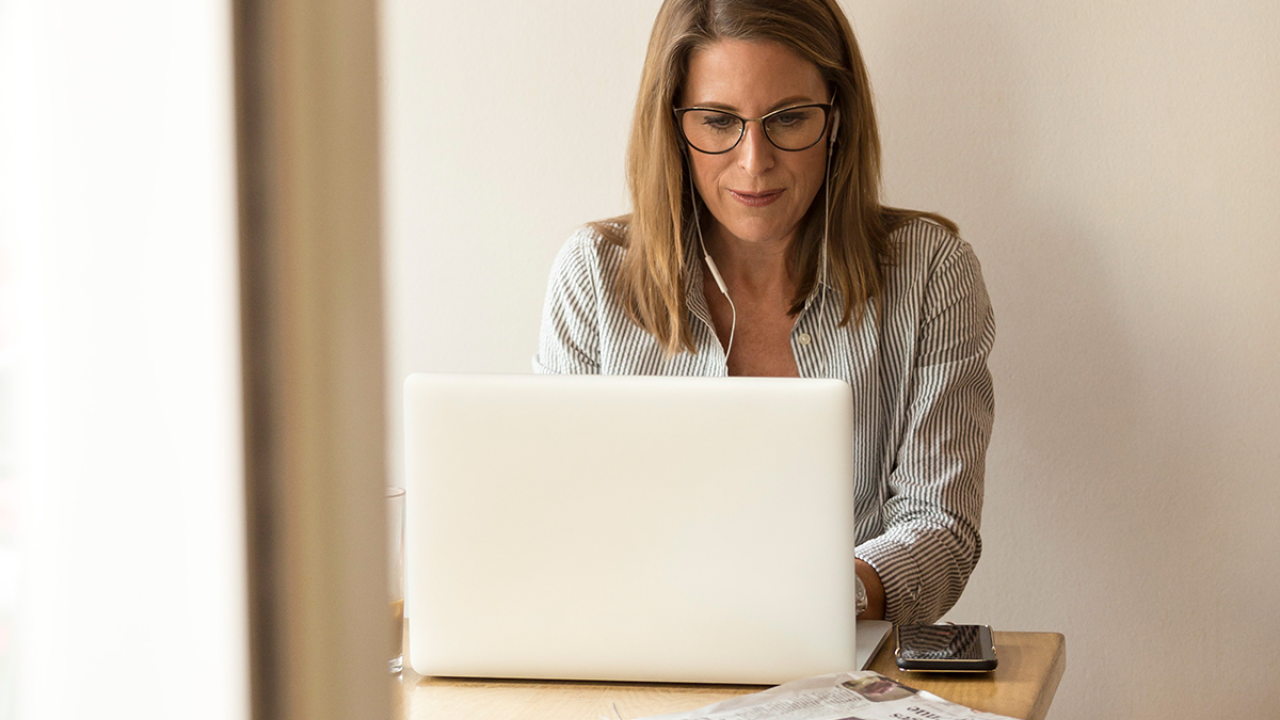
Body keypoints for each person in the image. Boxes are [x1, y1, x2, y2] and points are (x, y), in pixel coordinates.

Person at [533, 0, 994, 625]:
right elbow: (558, 519)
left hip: (840, 667)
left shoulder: (930, 272)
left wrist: (825, 601)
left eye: (790, 119)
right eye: (720, 121)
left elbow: (941, 527)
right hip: (640, 657)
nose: (755, 162)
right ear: (672, 126)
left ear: (837, 118)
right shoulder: (593, 276)